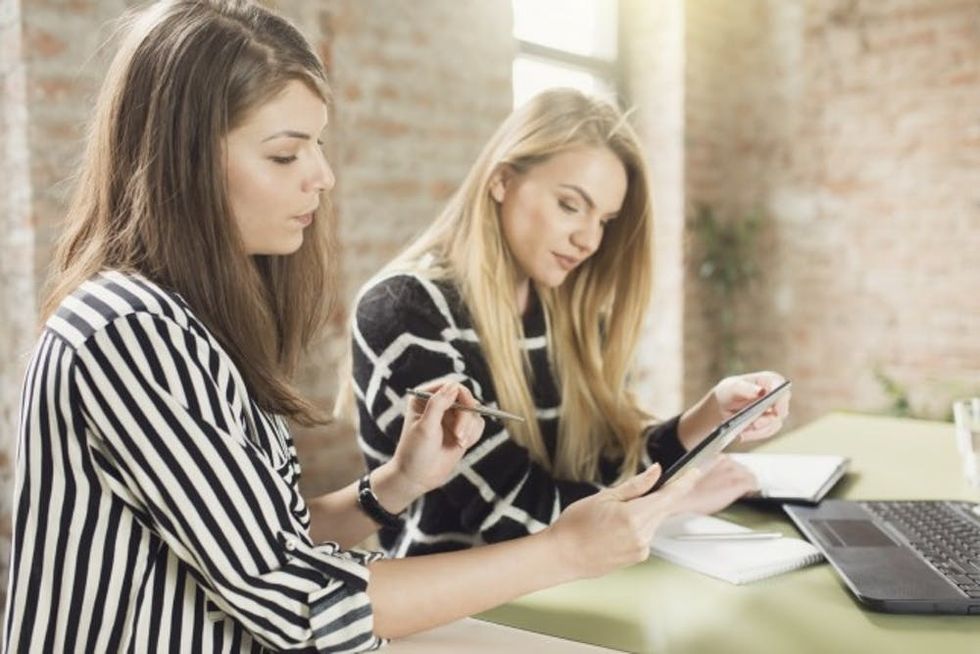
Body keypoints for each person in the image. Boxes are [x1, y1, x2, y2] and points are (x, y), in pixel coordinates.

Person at [2, 2, 708, 652]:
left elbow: (263, 541)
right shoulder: (131, 334)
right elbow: (296, 600)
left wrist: (396, 483)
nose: (322, 176)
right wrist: (565, 550)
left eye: (316, 146)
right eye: (286, 153)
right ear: (183, 162)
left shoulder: (191, 324)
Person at [349, 88, 791, 557]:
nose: (589, 240)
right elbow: (515, 516)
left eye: (605, 219)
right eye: (570, 205)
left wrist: (711, 414)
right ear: (501, 181)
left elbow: (604, 473)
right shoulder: (405, 309)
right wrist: (672, 503)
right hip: (454, 613)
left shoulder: (566, 310)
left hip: (565, 586)